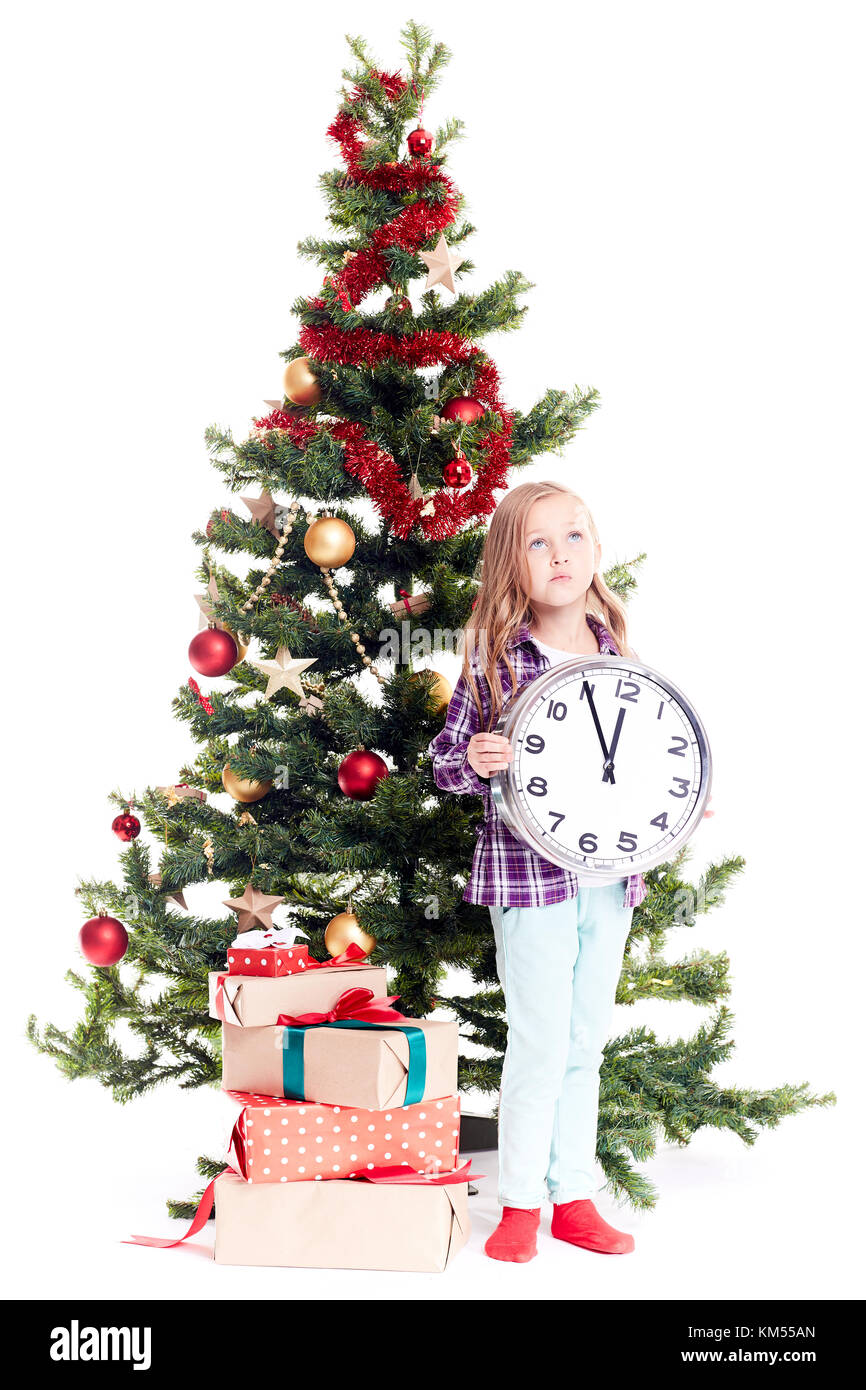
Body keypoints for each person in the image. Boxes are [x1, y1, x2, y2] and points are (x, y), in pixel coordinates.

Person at [427, 480, 712, 1263]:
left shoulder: (617, 653)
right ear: (511, 563)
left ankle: (573, 1195)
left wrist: (678, 797)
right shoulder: (495, 660)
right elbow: (443, 762)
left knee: (585, 1040)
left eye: (575, 537)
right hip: (529, 880)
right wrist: (475, 759)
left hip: (612, 879)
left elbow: (644, 754)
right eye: (539, 542)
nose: (561, 555)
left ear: (595, 551)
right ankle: (519, 1201)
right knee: (541, 1040)